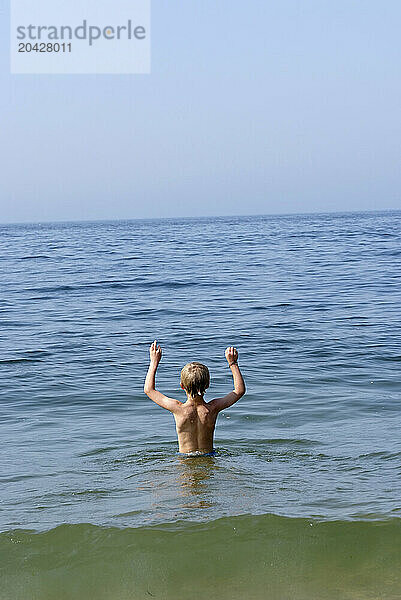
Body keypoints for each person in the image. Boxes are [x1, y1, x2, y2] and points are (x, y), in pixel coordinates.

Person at [144, 341, 246, 456]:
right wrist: (233, 363)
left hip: (185, 459)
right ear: (207, 385)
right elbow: (239, 391)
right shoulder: (212, 408)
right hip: (209, 457)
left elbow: (149, 390)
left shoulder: (178, 409)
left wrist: (154, 362)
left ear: (182, 386)